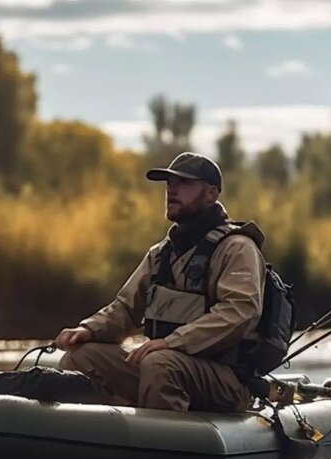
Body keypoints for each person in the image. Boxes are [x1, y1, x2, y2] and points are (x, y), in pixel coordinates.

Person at [53, 152, 268, 413]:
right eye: (169, 184)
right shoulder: (161, 253)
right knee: (82, 357)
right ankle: (89, 443)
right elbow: (126, 308)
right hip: (165, 365)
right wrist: (89, 330)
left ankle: (164, 448)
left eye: (184, 184)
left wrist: (172, 342)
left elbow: (239, 312)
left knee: (160, 363)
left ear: (212, 194)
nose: (172, 190)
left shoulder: (237, 248)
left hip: (227, 382)